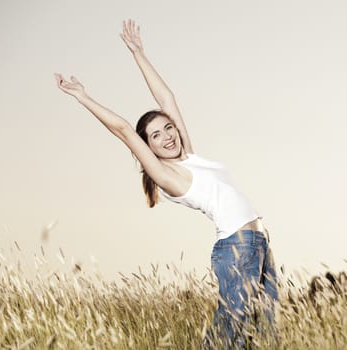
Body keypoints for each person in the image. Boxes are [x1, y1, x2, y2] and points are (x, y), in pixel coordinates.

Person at [54, 20, 278, 349]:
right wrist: (83, 96)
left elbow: (168, 99)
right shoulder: (167, 176)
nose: (167, 136)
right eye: (156, 136)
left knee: (264, 332)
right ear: (150, 149)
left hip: (258, 243)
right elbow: (124, 130)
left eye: (168, 128)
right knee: (230, 332)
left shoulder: (189, 156)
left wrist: (139, 54)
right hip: (237, 248)